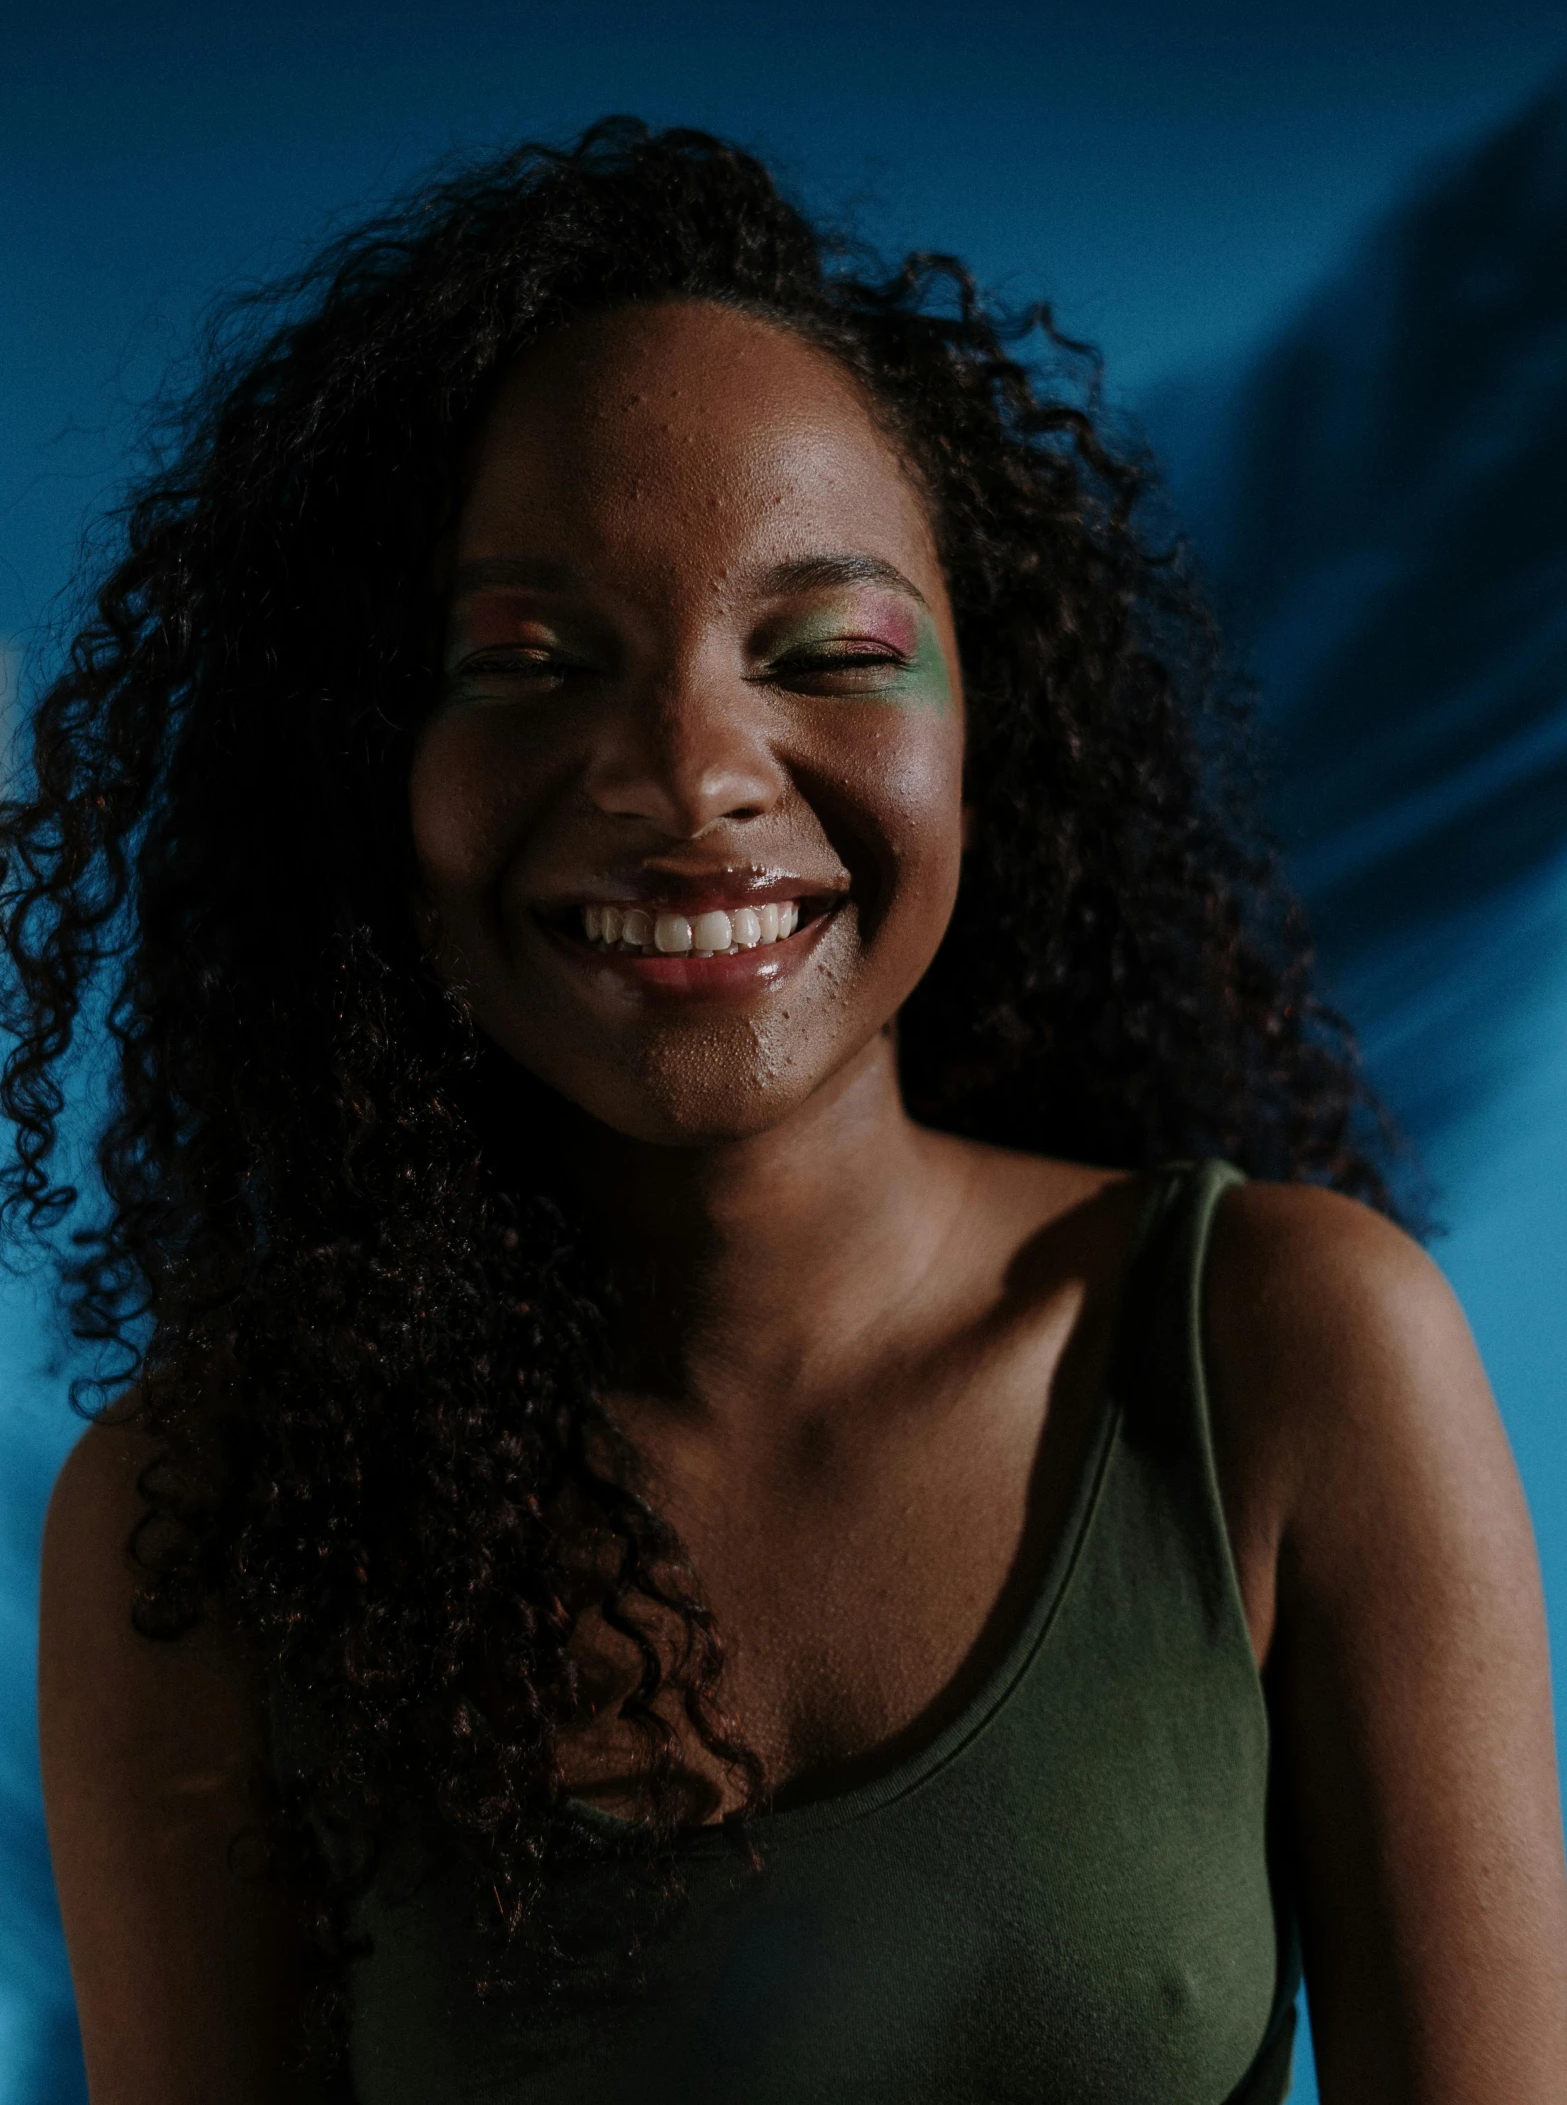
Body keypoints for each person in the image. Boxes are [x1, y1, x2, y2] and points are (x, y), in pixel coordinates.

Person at [8, 122, 1565, 2105]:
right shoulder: (212, 1525)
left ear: (985, 731)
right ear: (363, 781)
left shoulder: (1283, 1351)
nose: (689, 770)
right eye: (534, 662)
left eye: (820, 651)